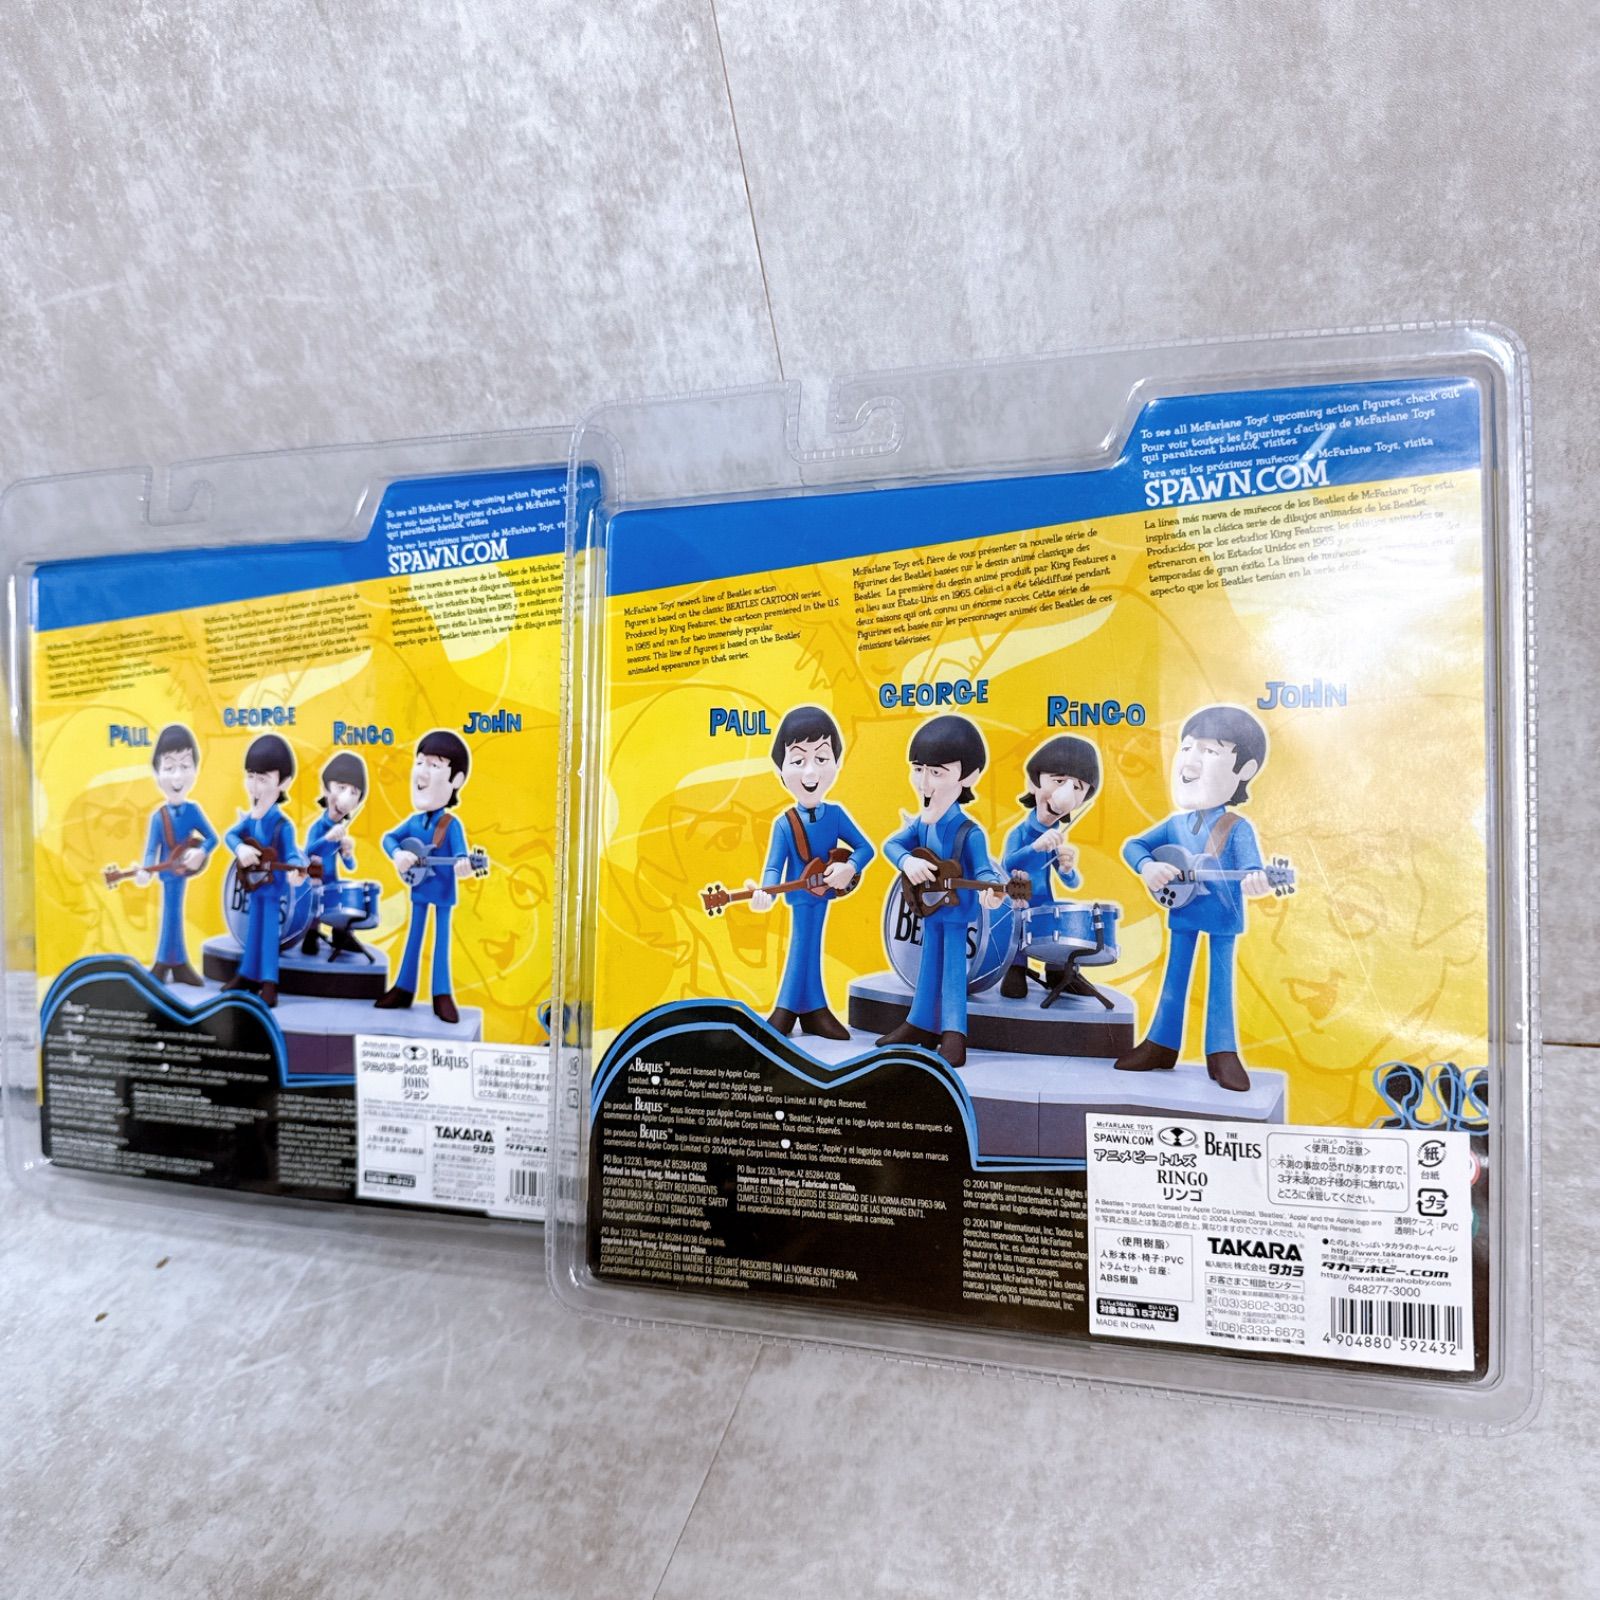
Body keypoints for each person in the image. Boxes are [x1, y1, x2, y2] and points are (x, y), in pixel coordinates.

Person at [1114, 705, 1272, 1092]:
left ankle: (1222, 1052)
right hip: (1183, 910)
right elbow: (1134, 846)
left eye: (1211, 750)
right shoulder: (1175, 824)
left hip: (1222, 915)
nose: (1191, 760)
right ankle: (1161, 1044)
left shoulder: (1236, 827)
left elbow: (1251, 866)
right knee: (1174, 977)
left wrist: (1256, 878)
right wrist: (1148, 867)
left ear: (1245, 770)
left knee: (1220, 983)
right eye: (1187, 747)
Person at [876, 714, 1005, 1067]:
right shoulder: (921, 824)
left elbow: (983, 871)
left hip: (956, 915)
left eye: (937, 772)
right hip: (928, 910)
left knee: (953, 973)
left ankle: (953, 1034)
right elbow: (891, 845)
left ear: (968, 777)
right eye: (918, 769)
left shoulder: (969, 832)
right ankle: (919, 1023)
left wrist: (992, 892)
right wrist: (907, 862)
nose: (924, 783)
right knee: (926, 968)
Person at [746, 705, 875, 1039]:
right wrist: (765, 891)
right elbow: (774, 866)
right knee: (803, 946)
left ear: (837, 762)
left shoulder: (836, 815)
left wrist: (849, 867)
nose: (810, 772)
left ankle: (805, 1010)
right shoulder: (784, 823)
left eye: (821, 758)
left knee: (808, 947)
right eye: (798, 760)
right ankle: (796, 1010)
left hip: (823, 894)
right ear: (780, 769)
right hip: (800, 898)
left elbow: (865, 848)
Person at [376, 730, 474, 1024]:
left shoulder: (450, 824)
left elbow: (461, 853)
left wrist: (463, 863)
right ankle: (404, 988)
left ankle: (441, 994)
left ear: (456, 780)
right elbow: (389, 838)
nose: (422, 772)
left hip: (442, 891)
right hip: (419, 887)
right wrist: (397, 854)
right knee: (414, 937)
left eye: (434, 765)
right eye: (420, 762)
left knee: (441, 942)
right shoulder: (414, 821)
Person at [998, 734, 1100, 1000]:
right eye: (1058, 780)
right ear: (1034, 783)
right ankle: (1016, 968)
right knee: (1017, 928)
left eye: (1078, 787)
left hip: (1044, 901)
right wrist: (1035, 847)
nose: (1066, 794)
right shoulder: (1019, 833)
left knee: (1062, 918)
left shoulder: (1056, 836)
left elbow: (1072, 883)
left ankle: (1059, 971)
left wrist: (1067, 869)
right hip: (1018, 899)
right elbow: (1007, 864)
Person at [222, 734, 306, 1008]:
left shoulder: (283, 825)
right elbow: (230, 836)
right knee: (252, 932)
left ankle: (269, 983)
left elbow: (291, 854)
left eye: (263, 779)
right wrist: (240, 849)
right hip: (253, 887)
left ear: (283, 783)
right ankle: (247, 974)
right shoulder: (250, 820)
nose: (254, 787)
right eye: (250, 777)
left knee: (269, 935)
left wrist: (296, 871)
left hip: (271, 891)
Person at [136, 723, 219, 985]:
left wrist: (200, 853)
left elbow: (212, 838)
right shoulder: (158, 817)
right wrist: (145, 870)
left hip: (182, 872)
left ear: (195, 769)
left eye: (185, 766)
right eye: (169, 767)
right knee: (170, 916)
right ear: (156, 772)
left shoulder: (193, 811)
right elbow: (151, 850)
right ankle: (172, 963)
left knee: (173, 916)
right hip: (168, 875)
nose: (177, 777)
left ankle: (171, 964)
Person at [301, 752, 369, 958]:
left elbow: (350, 866)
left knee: (343, 897)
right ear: (325, 789)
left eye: (354, 792)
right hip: (315, 879)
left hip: (332, 881)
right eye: (341, 787)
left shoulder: (341, 831)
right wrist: (328, 839)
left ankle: (341, 934)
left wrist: (347, 853)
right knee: (315, 900)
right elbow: (308, 852)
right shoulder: (318, 827)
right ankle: (311, 934)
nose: (346, 797)